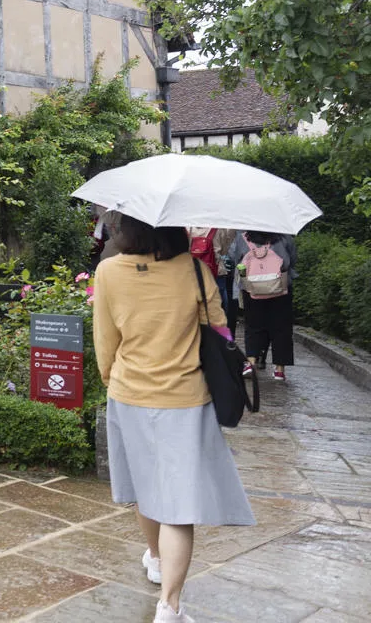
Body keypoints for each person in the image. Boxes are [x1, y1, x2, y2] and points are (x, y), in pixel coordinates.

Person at [94, 215, 254, 623]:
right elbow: (219, 331)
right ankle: (170, 605)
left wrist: (115, 381)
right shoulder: (195, 271)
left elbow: (105, 341)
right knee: (178, 506)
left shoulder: (109, 271)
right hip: (184, 399)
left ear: (127, 229)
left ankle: (155, 557)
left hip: (129, 394)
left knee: (145, 486)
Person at [228, 231, 296, 382]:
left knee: (253, 325)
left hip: (252, 288)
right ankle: (279, 370)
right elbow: (291, 260)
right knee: (281, 327)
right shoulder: (284, 237)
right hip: (280, 287)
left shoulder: (242, 237)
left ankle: (251, 362)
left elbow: (234, 257)